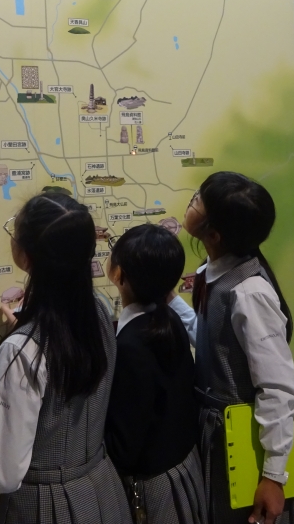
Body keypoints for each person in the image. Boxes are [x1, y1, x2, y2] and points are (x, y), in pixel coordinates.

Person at [0, 193, 129, 523]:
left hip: (44, 505)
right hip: (101, 489)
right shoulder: (98, 312)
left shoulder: (21, 351)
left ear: (26, 256)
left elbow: (0, 474)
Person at [170, 172, 294, 524]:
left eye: (199, 201)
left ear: (214, 235)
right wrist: (170, 300)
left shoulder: (250, 293)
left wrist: (273, 476)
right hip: (216, 433)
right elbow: (211, 340)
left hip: (243, 443)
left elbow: (278, 388)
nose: (192, 202)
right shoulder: (212, 271)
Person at [105, 224, 206, 524]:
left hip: (154, 490)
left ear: (118, 274)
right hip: (185, 471)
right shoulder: (169, 320)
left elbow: (125, 446)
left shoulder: (131, 345)